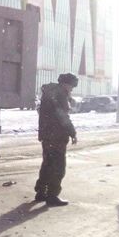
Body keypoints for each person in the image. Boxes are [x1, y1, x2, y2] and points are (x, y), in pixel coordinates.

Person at [34, 72, 78, 207]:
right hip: (57, 136)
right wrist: (72, 132)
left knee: (47, 164)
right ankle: (52, 196)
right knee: (58, 167)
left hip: (47, 135)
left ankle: (41, 192)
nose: (71, 90)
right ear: (67, 84)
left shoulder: (49, 93)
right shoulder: (60, 94)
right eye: (71, 87)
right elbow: (62, 116)